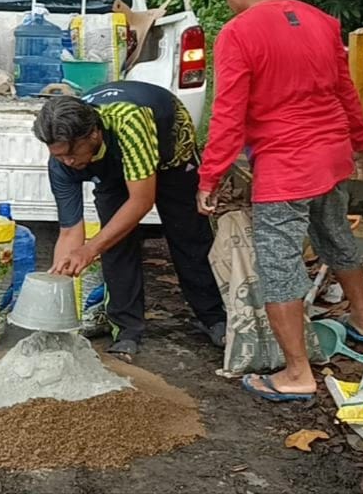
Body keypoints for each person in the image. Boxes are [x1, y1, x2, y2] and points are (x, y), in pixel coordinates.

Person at [197, 0, 363, 403]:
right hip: (331, 156)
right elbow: (345, 89)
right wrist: (361, 144)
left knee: (279, 267)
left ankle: (297, 373)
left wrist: (210, 177)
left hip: (286, 167)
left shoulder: (237, 33)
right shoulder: (319, 20)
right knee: (335, 234)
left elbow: (228, 115)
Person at [36, 82, 226, 358]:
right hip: (110, 159)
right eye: (58, 155)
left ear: (93, 134)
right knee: (114, 241)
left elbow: (141, 201)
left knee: (187, 233)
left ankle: (214, 317)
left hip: (168, 151)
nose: (66, 161)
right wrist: (58, 280)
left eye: (70, 153)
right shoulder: (62, 164)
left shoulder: (130, 121)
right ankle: (126, 330)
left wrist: (89, 250)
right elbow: (69, 232)